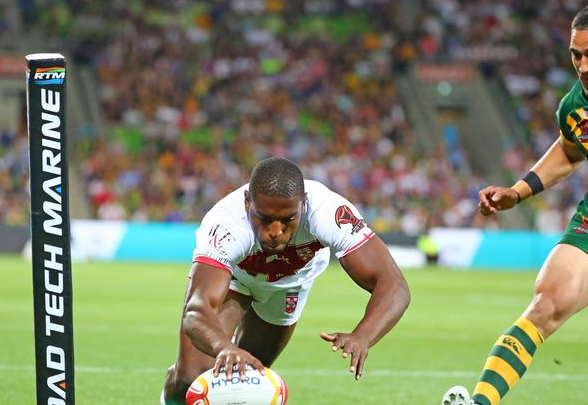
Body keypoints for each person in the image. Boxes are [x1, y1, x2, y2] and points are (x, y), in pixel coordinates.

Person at [442, 2, 588, 405]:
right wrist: (517, 191)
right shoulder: (574, 106)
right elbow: (569, 153)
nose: (583, 67)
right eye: (575, 55)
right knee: (545, 305)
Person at [161, 157, 411, 404]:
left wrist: (364, 335)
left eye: (288, 219)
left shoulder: (328, 212)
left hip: (288, 287)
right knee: (191, 377)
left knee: (246, 382)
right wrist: (223, 347)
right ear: (248, 202)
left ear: (304, 204)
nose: (276, 232)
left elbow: (394, 286)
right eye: (265, 218)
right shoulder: (226, 223)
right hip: (234, 280)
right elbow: (196, 310)